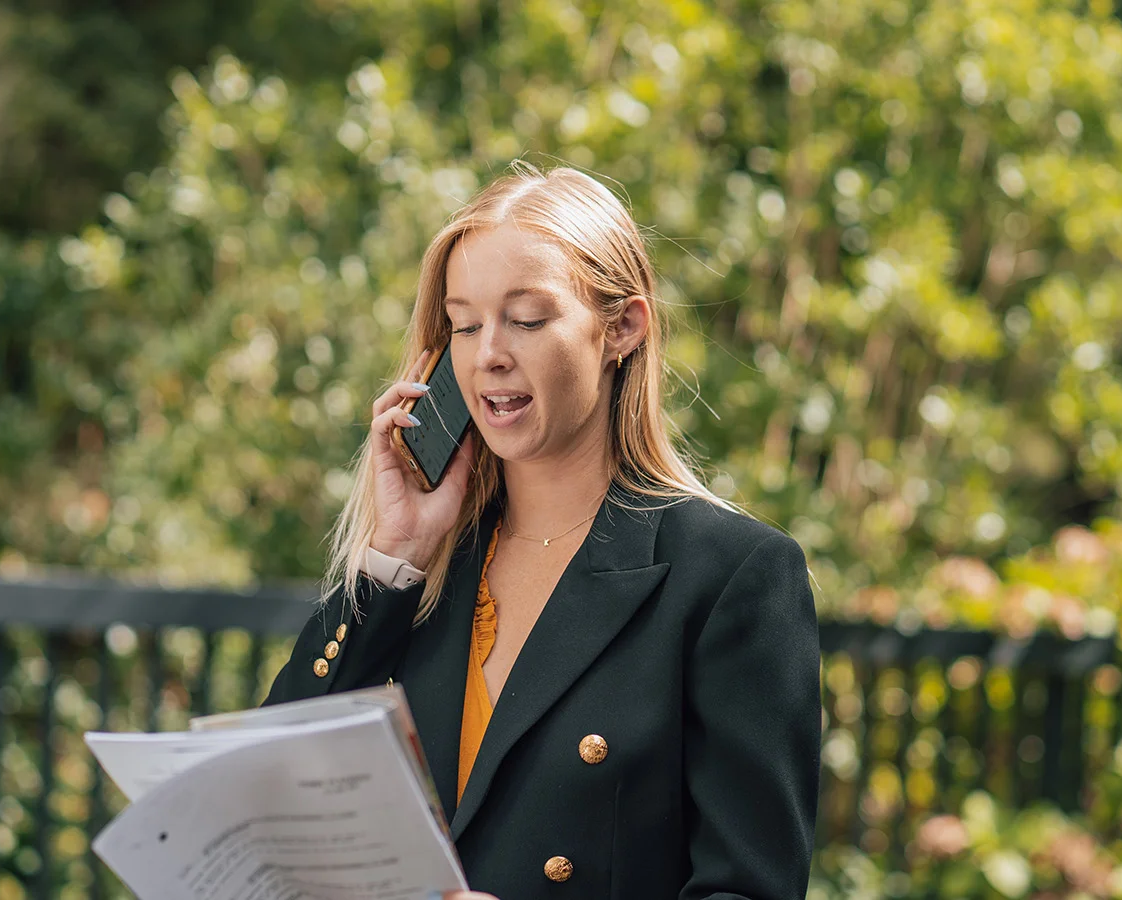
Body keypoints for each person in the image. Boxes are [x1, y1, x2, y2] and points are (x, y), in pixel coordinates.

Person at [264, 162, 820, 899]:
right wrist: (393, 557)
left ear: (622, 327)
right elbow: (272, 788)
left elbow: (747, 890)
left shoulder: (730, 577)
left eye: (526, 318)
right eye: (463, 325)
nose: (489, 351)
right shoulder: (427, 573)